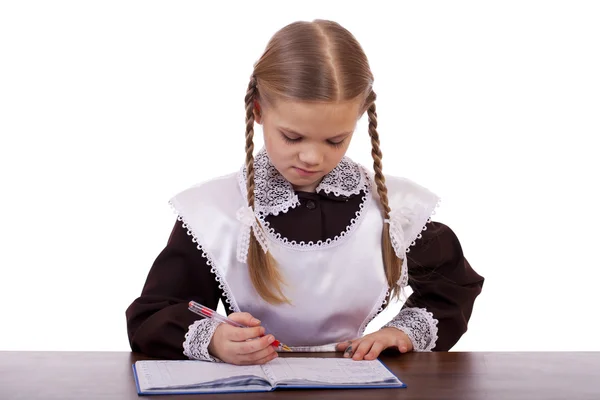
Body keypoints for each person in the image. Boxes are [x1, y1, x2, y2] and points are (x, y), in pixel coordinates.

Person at [125, 19, 484, 366]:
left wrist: (401, 333)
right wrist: (216, 340)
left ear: (359, 120)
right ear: (258, 112)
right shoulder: (214, 214)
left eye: (335, 140)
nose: (312, 157)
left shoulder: (393, 210)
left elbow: (452, 287)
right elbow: (152, 315)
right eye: (293, 137)